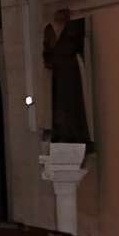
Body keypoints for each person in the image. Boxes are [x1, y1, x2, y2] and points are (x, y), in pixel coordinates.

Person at [42, 8, 92, 149]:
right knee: (61, 105)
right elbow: (47, 56)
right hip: (60, 74)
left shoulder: (73, 28)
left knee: (72, 104)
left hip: (70, 72)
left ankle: (74, 134)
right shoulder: (50, 30)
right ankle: (63, 133)